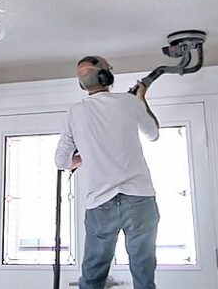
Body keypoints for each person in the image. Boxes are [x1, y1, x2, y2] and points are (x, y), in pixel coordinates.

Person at [54, 55, 160, 289]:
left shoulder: (76, 112)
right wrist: (141, 99)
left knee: (93, 274)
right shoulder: (130, 102)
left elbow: (62, 161)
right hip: (139, 197)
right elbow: (153, 134)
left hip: (100, 203)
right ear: (106, 75)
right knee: (143, 270)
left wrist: (88, 156)